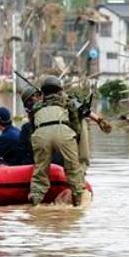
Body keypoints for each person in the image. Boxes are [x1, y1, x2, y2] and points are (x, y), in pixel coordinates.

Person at [28, 75, 84, 206]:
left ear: (43, 92)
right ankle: (78, 203)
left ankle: (35, 202)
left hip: (40, 134)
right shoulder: (68, 102)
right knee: (73, 168)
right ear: (59, 90)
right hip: (62, 131)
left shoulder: (36, 106)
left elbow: (32, 128)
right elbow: (76, 125)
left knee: (40, 170)